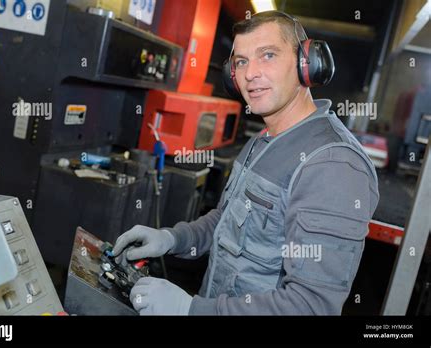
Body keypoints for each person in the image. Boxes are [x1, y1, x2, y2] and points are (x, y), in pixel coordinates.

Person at [112, 10, 379, 315]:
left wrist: (191, 309)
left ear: (307, 65)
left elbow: (309, 306)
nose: (251, 73)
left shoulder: (333, 165)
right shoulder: (262, 141)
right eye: (241, 62)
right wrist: (172, 239)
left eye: (267, 55)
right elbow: (227, 222)